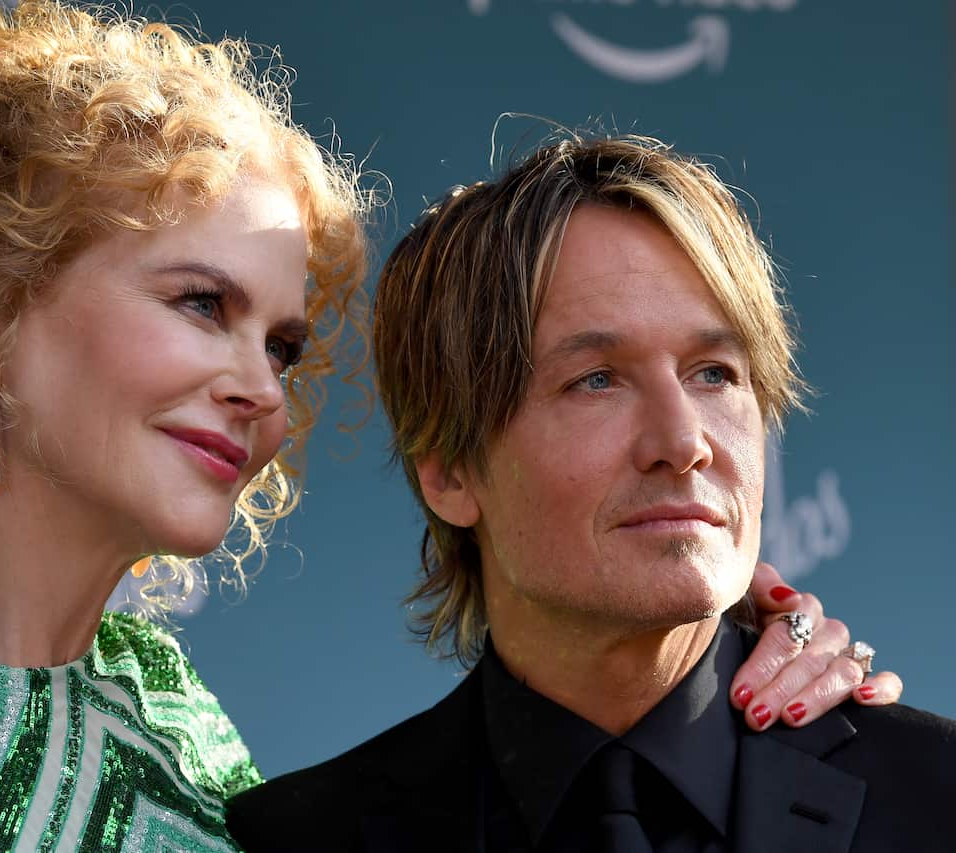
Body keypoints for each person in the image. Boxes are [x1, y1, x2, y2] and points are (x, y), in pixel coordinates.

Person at [0, 3, 901, 848]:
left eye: (281, 345)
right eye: (199, 305)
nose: (261, 389)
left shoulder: (175, 716)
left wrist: (732, 650)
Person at [226, 134, 952, 851]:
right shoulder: (297, 840)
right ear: (449, 471)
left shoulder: (938, 795)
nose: (685, 442)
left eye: (714, 373)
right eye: (596, 381)